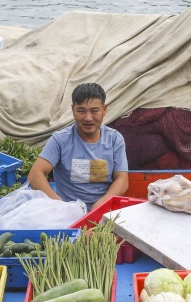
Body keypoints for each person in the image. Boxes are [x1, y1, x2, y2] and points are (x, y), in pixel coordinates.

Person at [28, 83, 128, 211]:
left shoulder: (114, 139)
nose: (88, 118)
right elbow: (35, 175)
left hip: (104, 211)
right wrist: (62, 206)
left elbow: (122, 180)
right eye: (81, 111)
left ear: (104, 110)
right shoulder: (60, 140)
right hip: (68, 214)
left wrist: (99, 206)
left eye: (94, 111)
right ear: (73, 110)